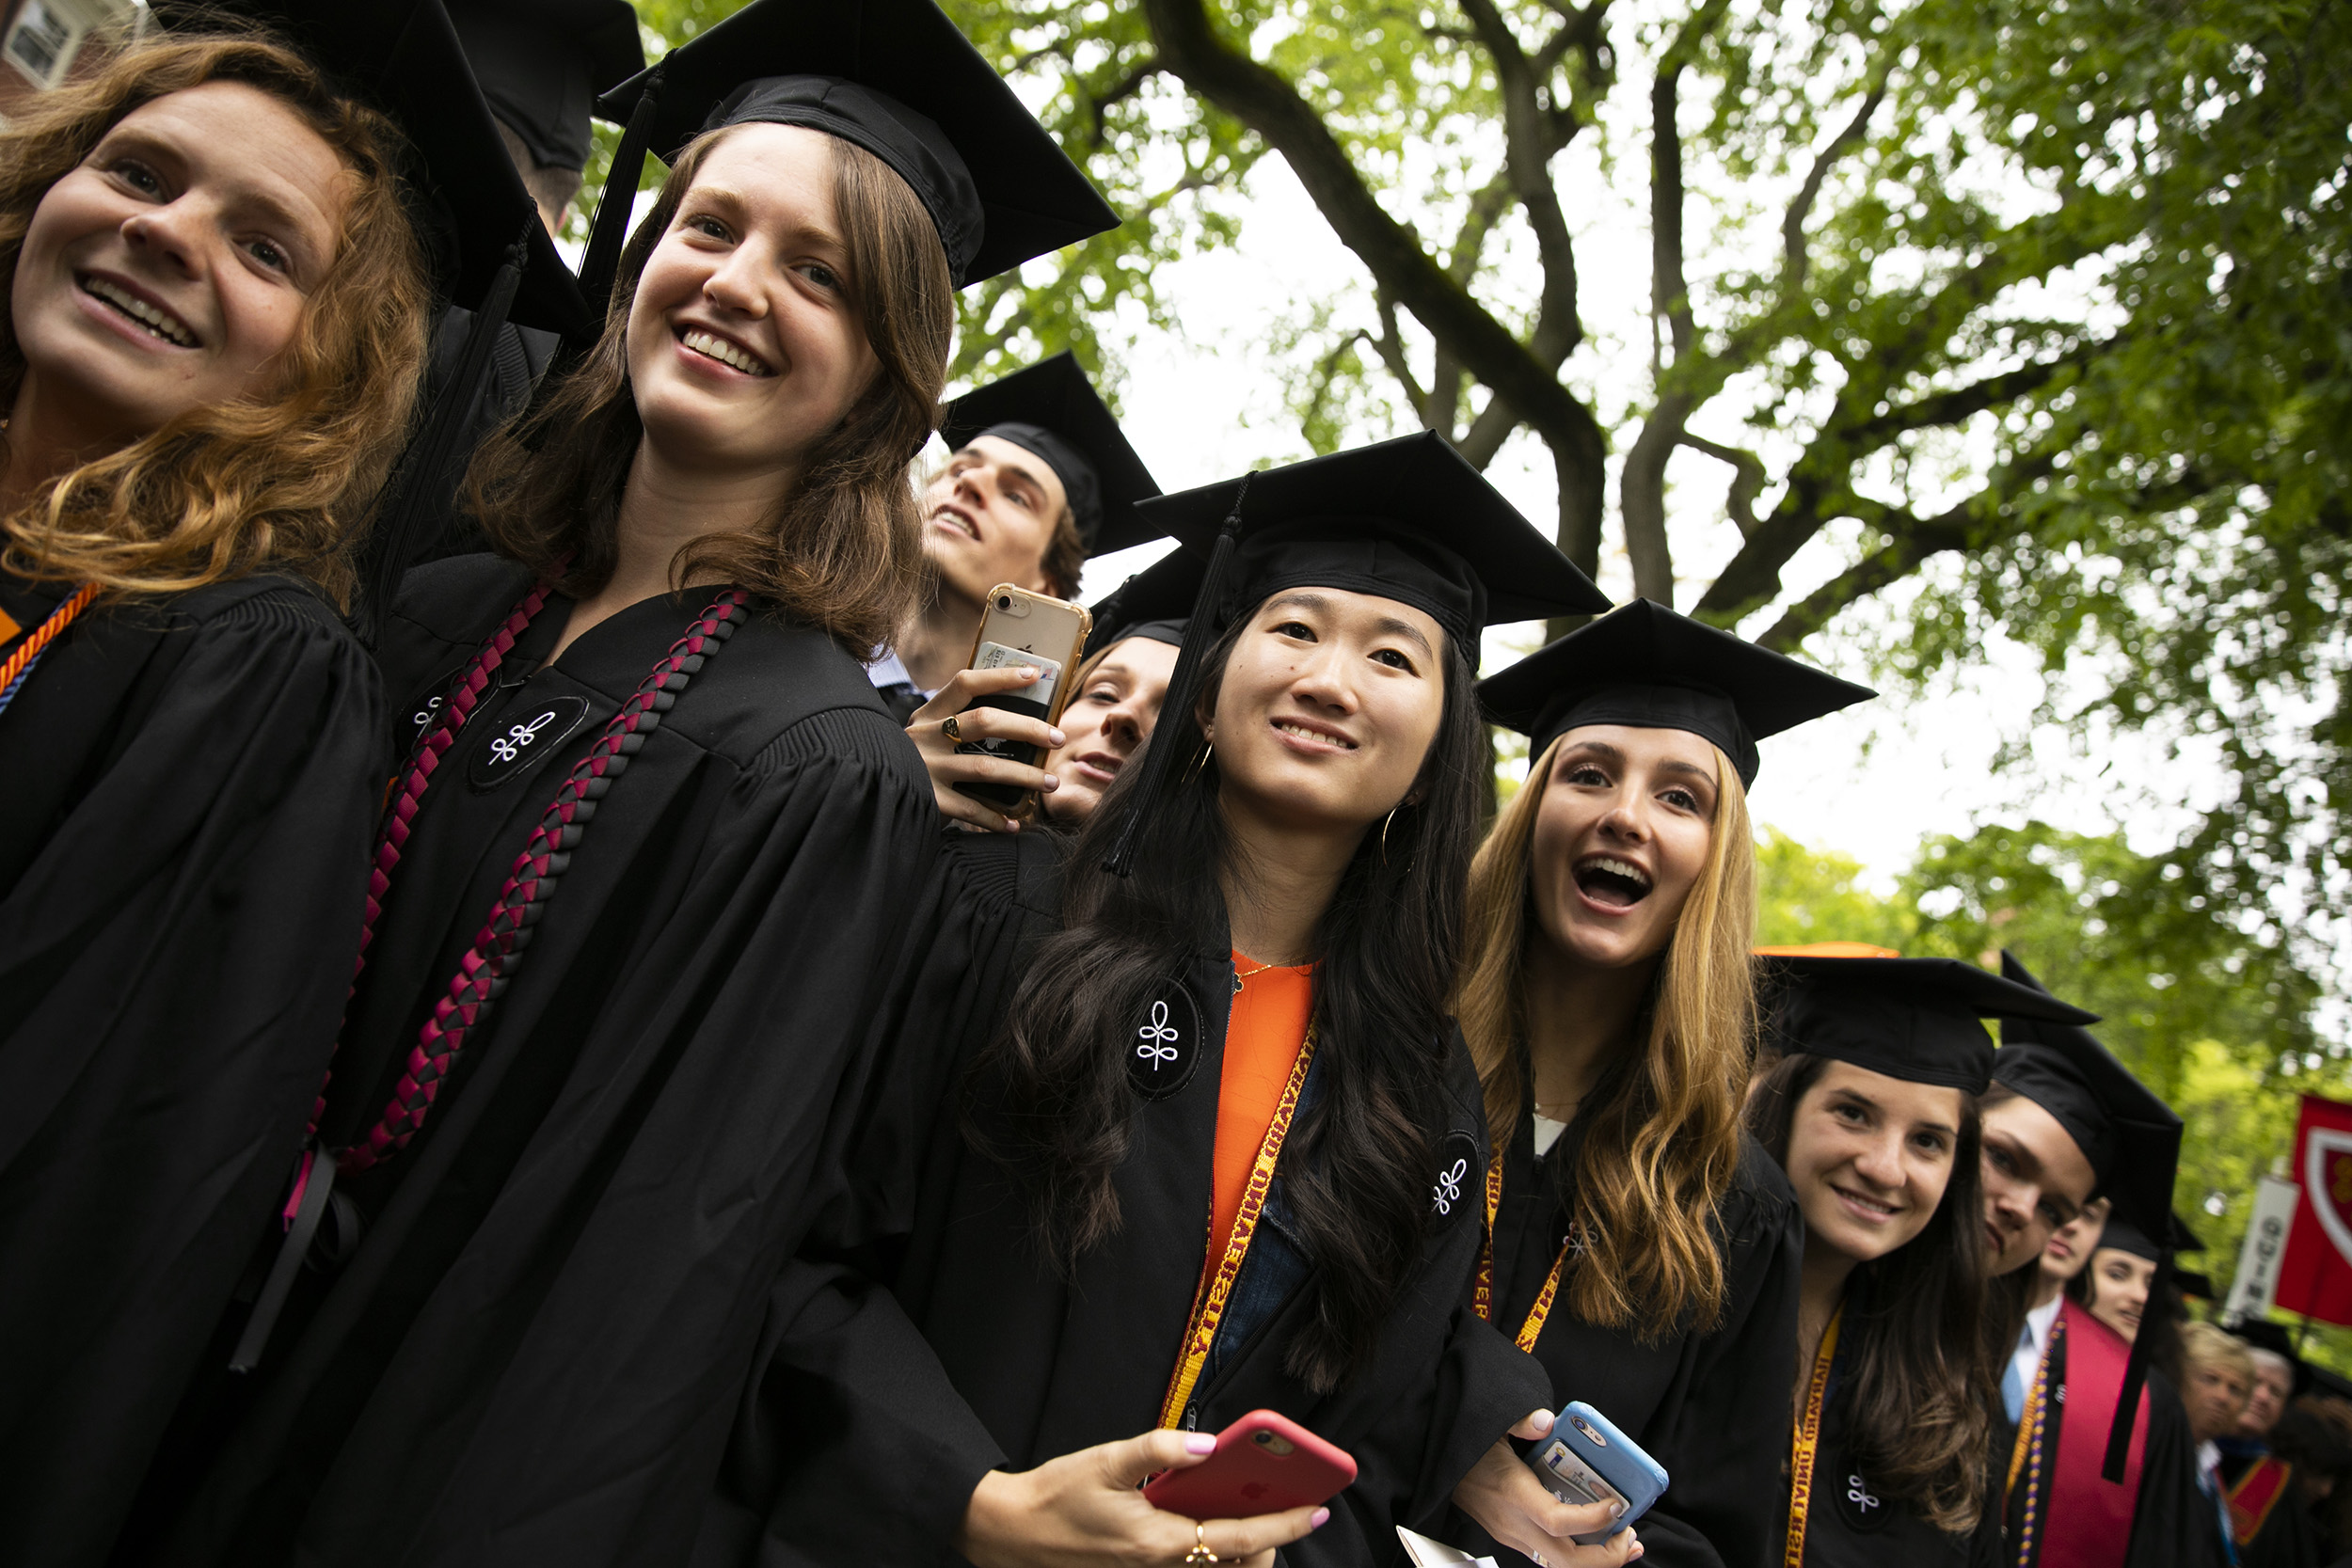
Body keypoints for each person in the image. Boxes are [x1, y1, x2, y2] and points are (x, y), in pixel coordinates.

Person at [128, 1, 1117, 1562]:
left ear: (883, 377)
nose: (734, 284)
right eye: (709, 226)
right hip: (141, 1347)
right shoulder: (445, 603)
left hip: (402, 1452)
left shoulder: (814, 773)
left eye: (819, 271)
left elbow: (655, 1265)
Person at [707, 432, 1615, 1566]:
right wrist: (973, 1501)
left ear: (1437, 752)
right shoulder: (997, 912)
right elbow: (777, 1243)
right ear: (1204, 695)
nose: (1328, 680)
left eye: (1392, 657)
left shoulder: (1420, 1089)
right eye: (1292, 628)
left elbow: (1365, 1439)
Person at [0, 13, 547, 1560]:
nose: (165, 236)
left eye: (262, 244)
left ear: (324, 356)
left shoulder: (252, 673)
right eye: (138, 173)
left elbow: (92, 1174)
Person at [1445, 600, 1874, 1568]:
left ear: (1713, 865)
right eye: (1587, 773)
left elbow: (1714, 1530)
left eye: (1681, 797)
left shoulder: (1739, 1206)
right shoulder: (1378, 1067)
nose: (1624, 815)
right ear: (1529, 819)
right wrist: (1452, 1439)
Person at [1747, 948, 2092, 1564]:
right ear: (1786, 1104)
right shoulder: (1655, 1302)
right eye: (1853, 1112)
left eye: (1928, 1141)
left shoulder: (1949, 1403)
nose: (1886, 1168)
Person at [1986, 954, 2214, 1568]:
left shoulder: (2138, 1404)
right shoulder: (1851, 1303)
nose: (2019, 1207)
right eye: (2003, 1159)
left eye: (2066, 1208)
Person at [871, 348, 1163, 722]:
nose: (970, 482)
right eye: (959, 470)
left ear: (1048, 584)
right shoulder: (785, 635)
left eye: (1015, 496)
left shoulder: (999, 760)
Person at [2217, 1333, 2324, 1568]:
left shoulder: (2281, 1488)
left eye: (2276, 1392)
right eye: (2256, 1382)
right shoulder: (2181, 1443)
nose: (2263, 1397)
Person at [2183, 1323, 2260, 1564]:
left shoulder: (2210, 1467)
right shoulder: (2150, 1448)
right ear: (2179, 1377)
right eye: (2211, 1379)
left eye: (2236, 1390)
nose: (2223, 1397)